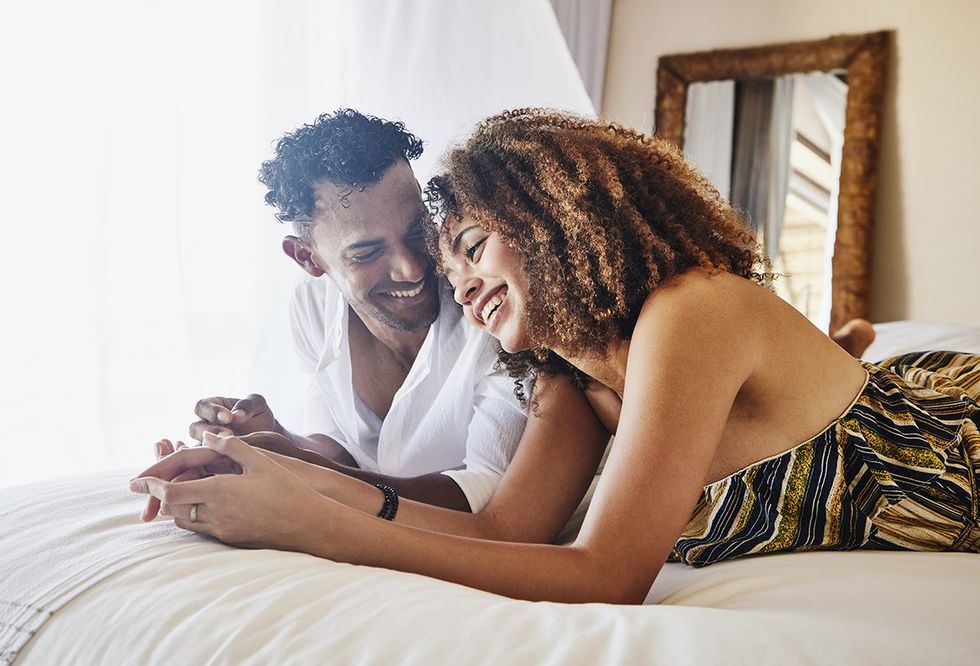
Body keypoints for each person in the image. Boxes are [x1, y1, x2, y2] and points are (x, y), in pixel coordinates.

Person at [132, 110, 977, 605]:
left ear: (552, 221)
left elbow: (604, 574)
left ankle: (847, 358)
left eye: (466, 245)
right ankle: (841, 353)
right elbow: (502, 532)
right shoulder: (567, 382)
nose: (453, 283)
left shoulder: (694, 314)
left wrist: (318, 527)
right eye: (452, 262)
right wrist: (272, 474)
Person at [145, 108, 608, 526]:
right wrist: (275, 440)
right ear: (308, 258)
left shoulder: (495, 311)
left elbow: (488, 498)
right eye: (367, 252)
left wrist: (301, 472)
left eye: (416, 231)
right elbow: (346, 451)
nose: (411, 267)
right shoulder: (311, 310)